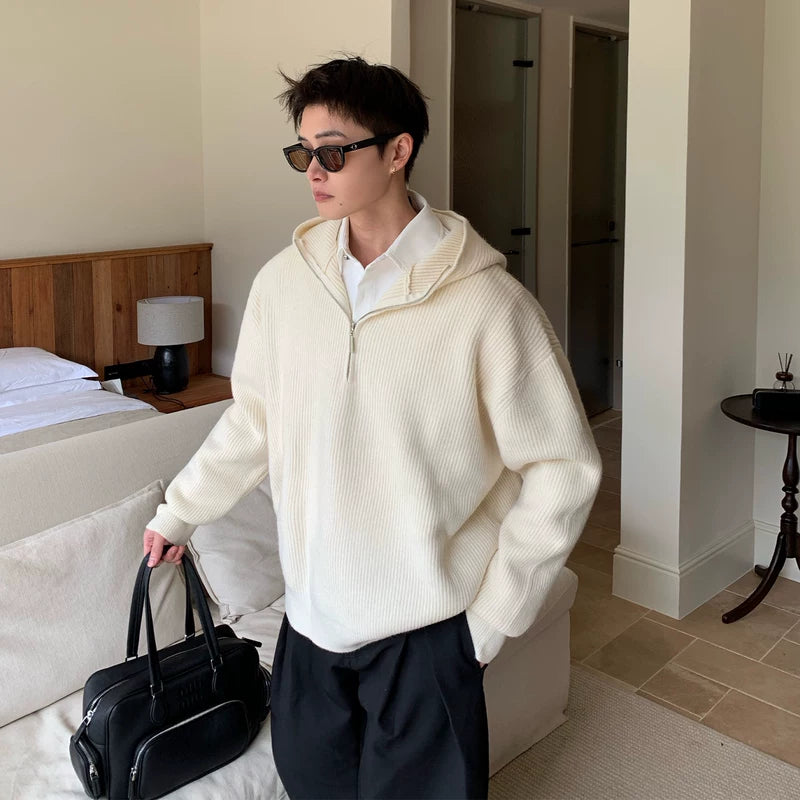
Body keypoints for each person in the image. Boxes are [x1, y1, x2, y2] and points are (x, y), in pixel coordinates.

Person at [143, 56, 602, 800]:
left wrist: (494, 617)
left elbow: (563, 467)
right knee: (313, 785)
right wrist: (181, 513)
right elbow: (254, 418)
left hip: (429, 631)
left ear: (397, 151)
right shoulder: (283, 285)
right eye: (302, 153)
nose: (313, 172)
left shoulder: (489, 305)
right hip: (310, 619)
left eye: (332, 152)